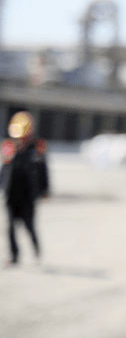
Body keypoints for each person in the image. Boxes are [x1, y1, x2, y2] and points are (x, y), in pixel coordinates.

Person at [0, 111, 49, 268]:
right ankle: (14, 256)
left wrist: (45, 189)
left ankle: (36, 251)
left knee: (29, 226)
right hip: (11, 194)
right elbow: (5, 169)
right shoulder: (10, 147)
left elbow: (43, 170)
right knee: (10, 228)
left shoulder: (37, 148)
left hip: (28, 195)